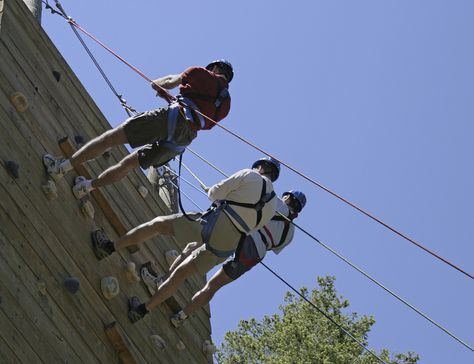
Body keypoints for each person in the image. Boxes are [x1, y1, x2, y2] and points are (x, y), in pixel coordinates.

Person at [89, 157, 280, 323]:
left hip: (216, 224)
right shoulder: (272, 207)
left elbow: (213, 194)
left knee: (157, 224)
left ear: (261, 167)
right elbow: (253, 227)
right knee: (180, 274)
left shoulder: (251, 175)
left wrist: (220, 197)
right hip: (228, 245)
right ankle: (142, 310)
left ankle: (110, 246)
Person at [42, 60, 233, 199]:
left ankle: (61, 168)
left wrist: (160, 88)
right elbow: (200, 119)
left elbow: (161, 83)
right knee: (129, 164)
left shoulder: (201, 73)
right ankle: (87, 187)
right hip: (182, 140)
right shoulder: (226, 105)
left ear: (214, 68)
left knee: (110, 139)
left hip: (172, 118)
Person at [164, 190, 306, 327]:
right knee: (213, 286)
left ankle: (164, 280)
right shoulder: (290, 234)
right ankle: (182, 316)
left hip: (244, 235)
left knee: (194, 246)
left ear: (288, 197)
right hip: (253, 256)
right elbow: (273, 249)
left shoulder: (274, 201)